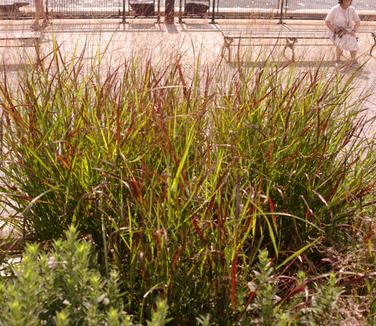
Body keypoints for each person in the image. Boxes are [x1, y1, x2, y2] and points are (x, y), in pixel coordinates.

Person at [325, 0, 361, 65]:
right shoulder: (335, 9)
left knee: (352, 39)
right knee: (341, 39)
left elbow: (358, 22)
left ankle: (353, 60)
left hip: (348, 31)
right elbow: (327, 22)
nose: (347, 0)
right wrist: (335, 30)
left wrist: (354, 31)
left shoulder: (351, 9)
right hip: (336, 31)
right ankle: (338, 60)